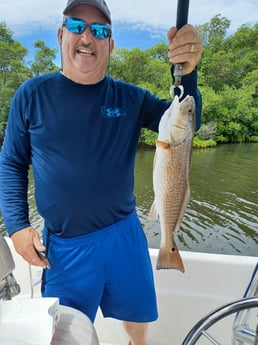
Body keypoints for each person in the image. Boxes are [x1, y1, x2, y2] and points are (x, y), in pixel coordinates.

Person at [0, 0, 202, 344]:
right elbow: (11, 163)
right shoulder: (31, 95)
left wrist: (189, 71)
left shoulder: (130, 98)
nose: (87, 37)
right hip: (65, 248)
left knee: (137, 316)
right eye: (77, 26)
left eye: (100, 30)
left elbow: (184, 122)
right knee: (64, 331)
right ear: (61, 34)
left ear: (111, 44)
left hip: (124, 235)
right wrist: (18, 225)